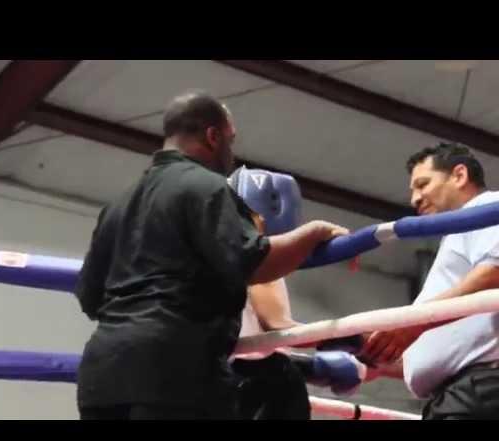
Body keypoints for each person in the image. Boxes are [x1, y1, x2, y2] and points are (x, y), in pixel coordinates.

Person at [74, 90, 349, 420]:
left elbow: (90, 299)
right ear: (212, 136)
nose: (231, 154)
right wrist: (314, 232)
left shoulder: (117, 206)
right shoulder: (206, 186)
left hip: (101, 378)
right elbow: (254, 261)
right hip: (174, 373)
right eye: (230, 142)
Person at [360, 142, 499, 419]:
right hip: (465, 393)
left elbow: (495, 272)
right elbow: (466, 339)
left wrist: (413, 324)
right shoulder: (462, 234)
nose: (415, 199)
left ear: (459, 176)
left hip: (479, 391)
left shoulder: (487, 208)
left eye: (423, 184)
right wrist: (385, 362)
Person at [228, 167, 366, 420]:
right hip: (249, 383)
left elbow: (250, 344)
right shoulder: (256, 255)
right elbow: (278, 328)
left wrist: (315, 367)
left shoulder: (210, 247)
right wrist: (357, 338)